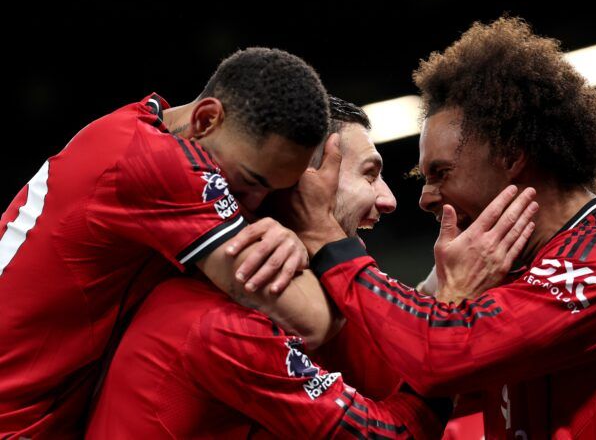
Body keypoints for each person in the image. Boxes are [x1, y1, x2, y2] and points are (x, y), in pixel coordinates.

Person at [242, 17, 596, 438]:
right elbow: (396, 374)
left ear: (510, 155)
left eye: (441, 172)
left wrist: (327, 242)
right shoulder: (508, 266)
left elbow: (438, 358)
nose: (424, 198)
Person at [0, 47, 332, 437]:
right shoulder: (160, 163)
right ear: (206, 119)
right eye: (248, 183)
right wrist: (316, 235)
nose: (255, 206)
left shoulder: (138, 127)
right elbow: (311, 322)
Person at [85, 97, 450, 439]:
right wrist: (454, 369)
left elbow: (392, 377)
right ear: (303, 182)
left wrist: (440, 304)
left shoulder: (299, 294)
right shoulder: (224, 322)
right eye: (369, 174)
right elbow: (385, 432)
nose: (388, 199)